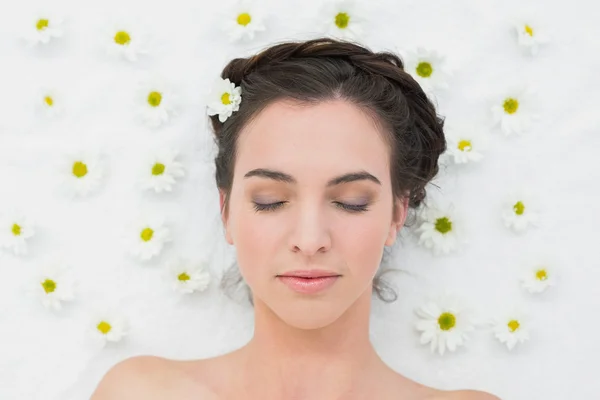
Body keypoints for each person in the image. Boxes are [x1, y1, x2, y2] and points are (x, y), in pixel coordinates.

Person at [90, 37, 501, 399]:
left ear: (397, 213)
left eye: (351, 201)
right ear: (227, 211)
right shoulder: (140, 393)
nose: (309, 239)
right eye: (270, 200)